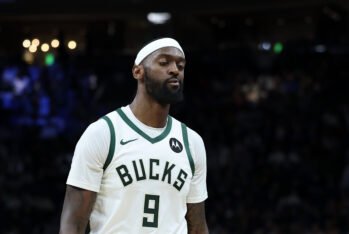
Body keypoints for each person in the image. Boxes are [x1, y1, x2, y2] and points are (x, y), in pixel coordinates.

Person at [59, 37, 209, 234]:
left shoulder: (192, 142)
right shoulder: (104, 133)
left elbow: (197, 228)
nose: (175, 70)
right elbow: (73, 224)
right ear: (137, 71)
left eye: (180, 65)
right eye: (164, 63)